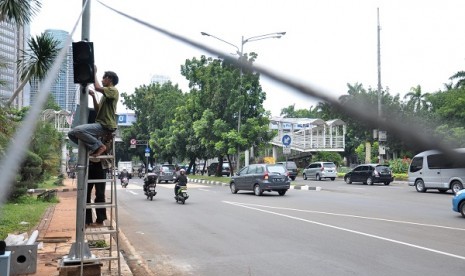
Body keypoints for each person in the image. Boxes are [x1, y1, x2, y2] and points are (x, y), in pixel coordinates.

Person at [68, 67, 119, 157]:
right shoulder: (105, 95)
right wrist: (93, 96)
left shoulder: (113, 90)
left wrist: (94, 73)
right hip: (101, 124)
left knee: (78, 130)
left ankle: (99, 146)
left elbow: (97, 87)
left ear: (109, 79)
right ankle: (92, 148)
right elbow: (97, 109)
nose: (102, 80)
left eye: (104, 78)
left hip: (105, 125)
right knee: (71, 134)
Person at [86, 158, 108, 226]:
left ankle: (100, 220)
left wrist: (101, 150)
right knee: (85, 194)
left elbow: (107, 148)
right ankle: (87, 220)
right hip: (87, 163)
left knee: (100, 194)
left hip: (100, 164)